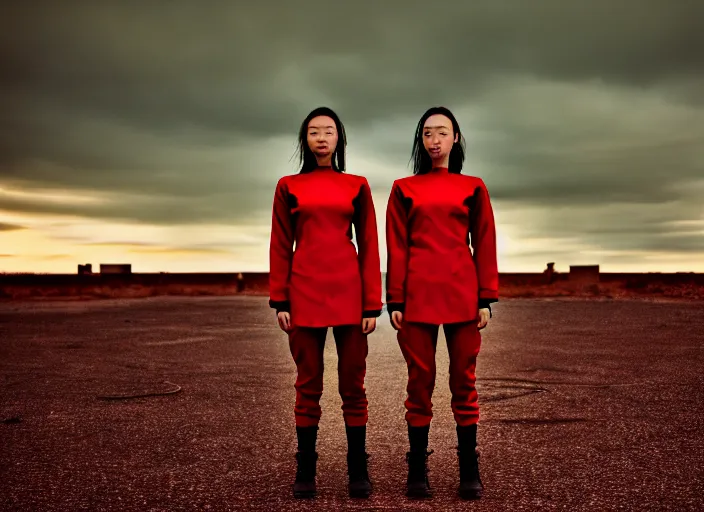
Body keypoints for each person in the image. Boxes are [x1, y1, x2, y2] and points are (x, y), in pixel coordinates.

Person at [269, 106, 383, 499]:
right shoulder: (288, 185)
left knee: (353, 384)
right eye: (314, 131)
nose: (321, 137)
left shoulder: (357, 185)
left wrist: (372, 304)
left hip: (350, 296)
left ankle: (357, 470)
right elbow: (281, 244)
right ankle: (305, 471)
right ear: (305, 139)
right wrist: (279, 299)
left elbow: (369, 245)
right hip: (303, 295)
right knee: (308, 384)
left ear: (339, 139)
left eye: (329, 131)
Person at [385, 106, 499, 500]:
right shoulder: (403, 188)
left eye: (442, 132)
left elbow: (484, 243)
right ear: (421, 140)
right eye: (427, 133)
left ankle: (470, 469)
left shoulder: (474, 186)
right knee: (420, 383)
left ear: (455, 139)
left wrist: (487, 297)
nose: (434, 140)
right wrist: (394, 299)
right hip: (416, 297)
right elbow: (396, 248)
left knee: (463, 382)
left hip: (463, 296)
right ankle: (417, 470)